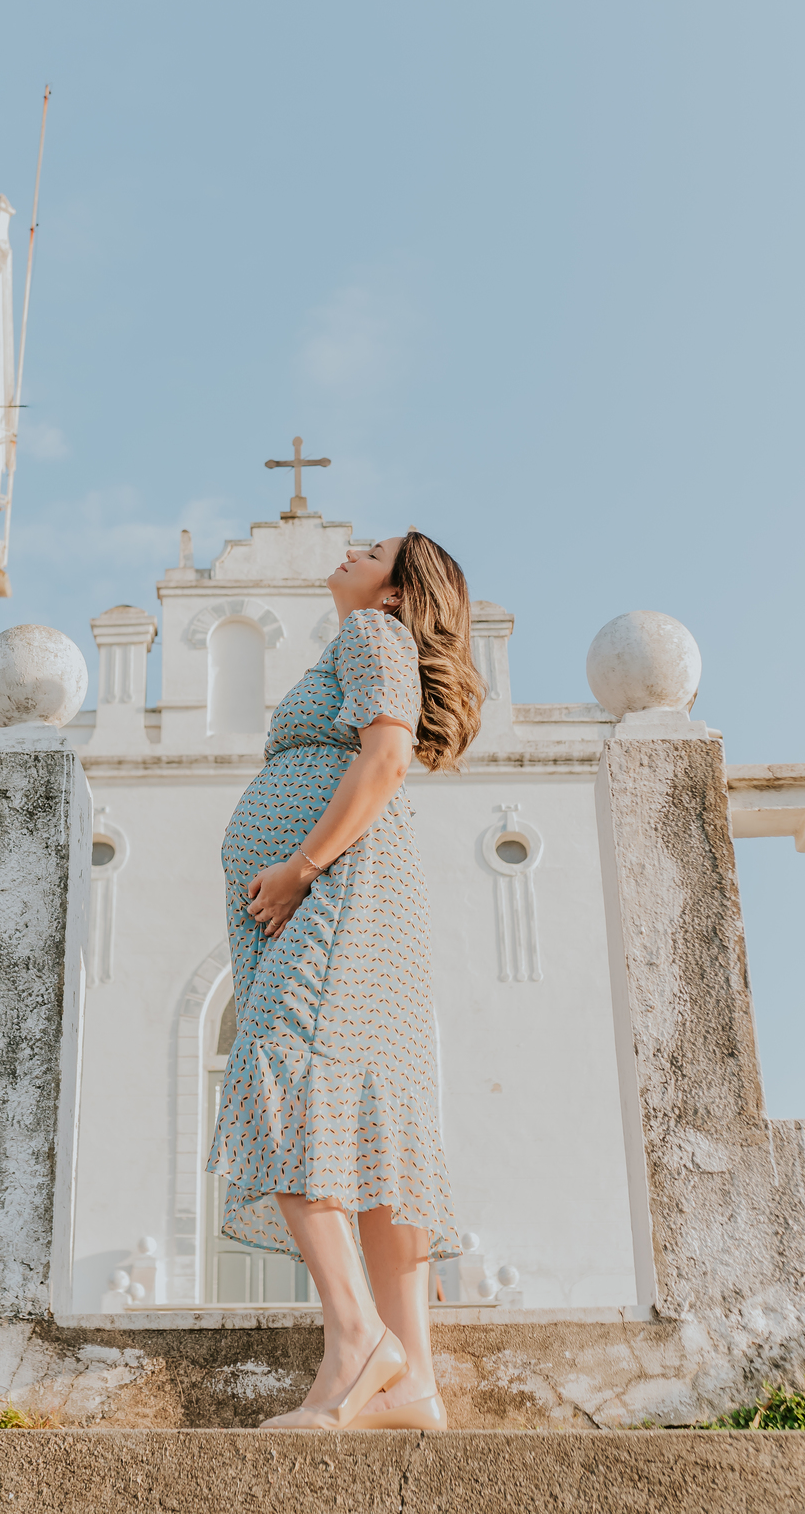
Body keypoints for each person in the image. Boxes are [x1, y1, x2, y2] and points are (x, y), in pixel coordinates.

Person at [206, 529, 484, 1431]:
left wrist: (300, 868)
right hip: (352, 893)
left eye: (373, 550)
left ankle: (359, 1338)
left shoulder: (370, 632)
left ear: (397, 591)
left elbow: (387, 755)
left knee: (280, 1076)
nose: (352, 550)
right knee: (374, 1113)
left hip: (334, 893)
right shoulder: (369, 638)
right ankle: (414, 1384)